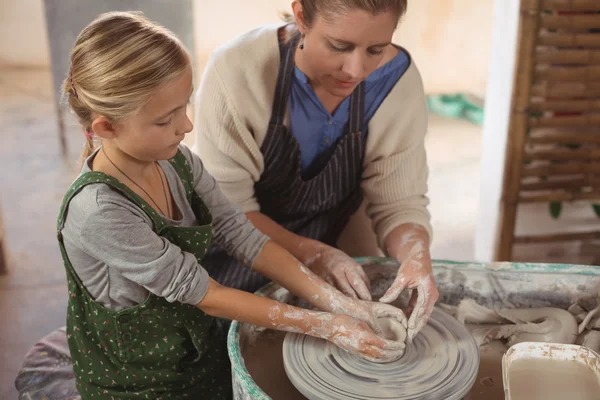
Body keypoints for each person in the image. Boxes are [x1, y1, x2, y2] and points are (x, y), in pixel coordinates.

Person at [58, 11, 407, 399]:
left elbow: (243, 235)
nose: (186, 126)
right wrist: (327, 325)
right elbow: (205, 294)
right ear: (106, 127)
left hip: (191, 343)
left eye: (183, 106)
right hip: (136, 375)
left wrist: (342, 305)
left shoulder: (179, 161)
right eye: (164, 120)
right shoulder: (100, 212)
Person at [194, 0, 439, 340]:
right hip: (233, 248)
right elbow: (228, 212)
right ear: (301, 17)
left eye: (376, 49)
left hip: (329, 240)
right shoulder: (238, 69)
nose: (355, 70)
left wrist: (416, 257)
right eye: (339, 46)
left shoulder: (396, 82)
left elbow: (399, 203)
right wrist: (312, 254)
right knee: (224, 346)